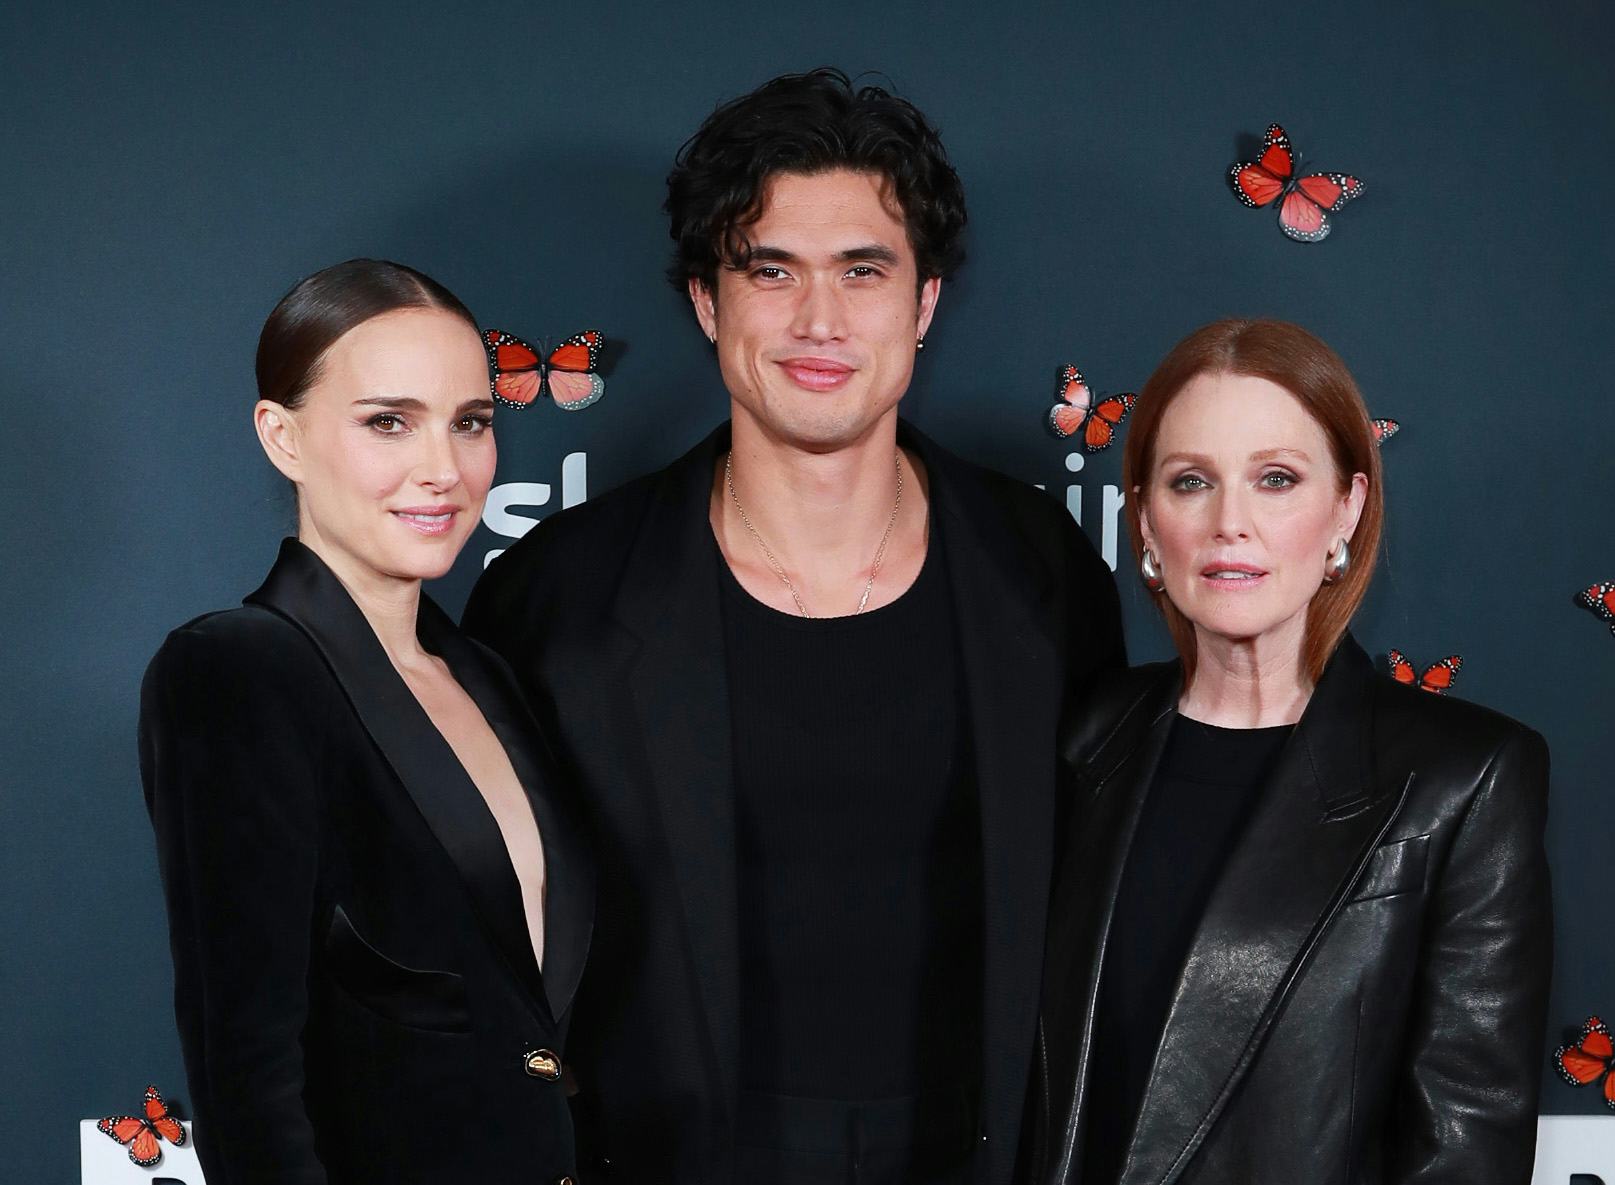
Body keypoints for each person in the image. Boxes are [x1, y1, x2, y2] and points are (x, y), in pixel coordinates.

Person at [463, 68, 1123, 1184]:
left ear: (921, 304)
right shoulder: (556, 602)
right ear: (707, 303)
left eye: (863, 272)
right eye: (772, 271)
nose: (820, 321)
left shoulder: (1043, 574)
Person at [1024, 318, 1552, 1184]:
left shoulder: (1463, 780)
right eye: (1190, 481)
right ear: (1146, 524)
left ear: (1345, 507)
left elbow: (1465, 1154)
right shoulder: (1079, 740)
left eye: (1275, 479)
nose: (1230, 522)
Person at [140, 259, 592, 1185]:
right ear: (283, 436)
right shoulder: (236, 671)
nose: (442, 469)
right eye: (389, 421)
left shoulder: (487, 674)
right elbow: (246, 1076)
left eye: (470, 422)